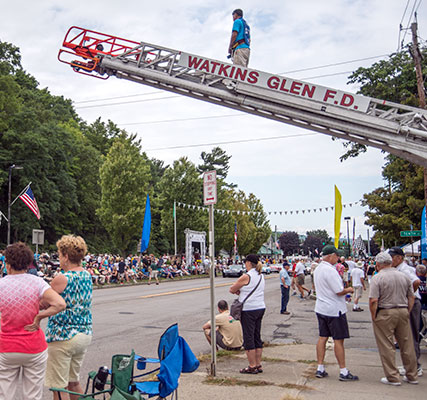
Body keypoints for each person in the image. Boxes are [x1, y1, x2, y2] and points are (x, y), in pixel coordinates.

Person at [0, 242, 65, 400]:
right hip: (34, 346)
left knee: (4, 394)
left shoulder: (1, 285)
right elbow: (60, 304)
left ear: (7, 264)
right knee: (33, 395)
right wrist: (39, 317)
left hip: (6, 346)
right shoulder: (37, 283)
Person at [45, 235, 93, 400]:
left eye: (59, 254)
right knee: (73, 382)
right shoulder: (87, 275)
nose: (58, 258)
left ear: (66, 256)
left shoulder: (62, 278)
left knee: (58, 387)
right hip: (83, 334)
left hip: (63, 336)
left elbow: (44, 302)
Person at [369, 252, 418, 385]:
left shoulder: (377, 278)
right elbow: (411, 297)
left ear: (378, 265)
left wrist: (374, 315)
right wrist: (407, 310)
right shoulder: (404, 276)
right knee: (407, 344)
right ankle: (412, 374)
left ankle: (392, 376)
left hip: (385, 311)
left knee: (386, 345)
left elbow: (374, 300)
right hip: (402, 309)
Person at [314, 245, 358, 381]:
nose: (338, 258)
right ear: (331, 256)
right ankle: (343, 371)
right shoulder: (330, 270)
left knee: (322, 337)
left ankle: (320, 367)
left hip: (321, 307)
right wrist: (349, 289)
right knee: (338, 340)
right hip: (334, 309)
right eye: (336, 255)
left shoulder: (318, 269)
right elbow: (338, 290)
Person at [389, 246, 423, 376]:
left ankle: (415, 366)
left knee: (411, 334)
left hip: (411, 304)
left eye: (392, 257)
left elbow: (416, 281)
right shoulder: (398, 269)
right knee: (404, 335)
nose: (390, 260)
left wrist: (409, 296)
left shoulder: (405, 270)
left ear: (399, 258)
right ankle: (409, 364)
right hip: (405, 303)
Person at [230, 254, 265, 374]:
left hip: (249, 309)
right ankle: (258, 364)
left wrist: (239, 290)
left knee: (248, 337)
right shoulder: (261, 276)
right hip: (260, 307)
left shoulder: (247, 276)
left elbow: (232, 289)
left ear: (249, 263)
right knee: (256, 336)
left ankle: (252, 365)